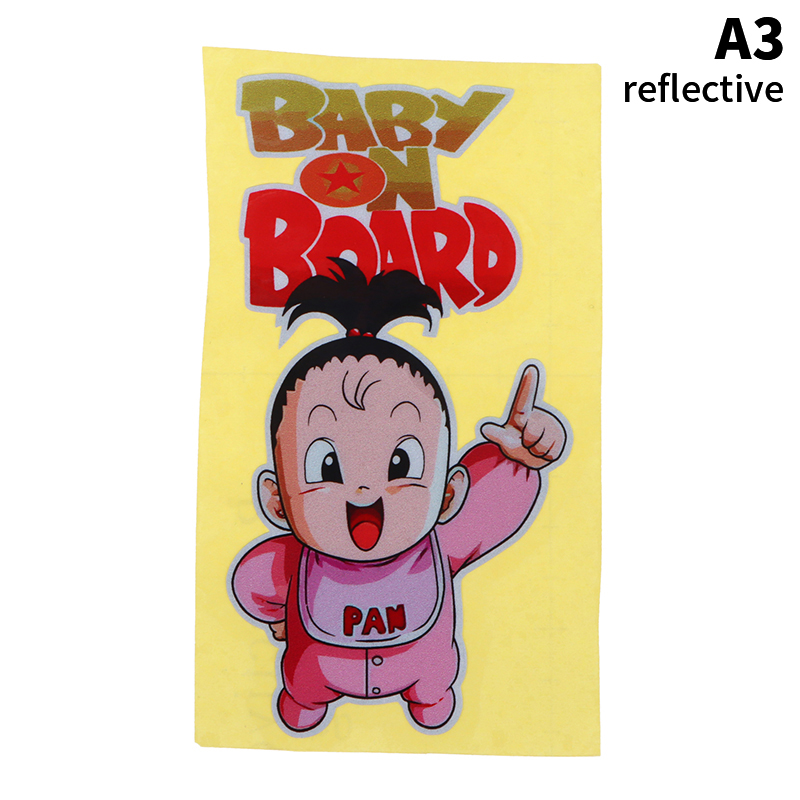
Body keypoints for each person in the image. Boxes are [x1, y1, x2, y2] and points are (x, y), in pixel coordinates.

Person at [229, 258, 568, 733]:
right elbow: (253, 582)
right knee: (305, 682)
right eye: (327, 467)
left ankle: (431, 696)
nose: (365, 489)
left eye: (400, 464)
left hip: (422, 670)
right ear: (277, 501)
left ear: (448, 493)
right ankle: (304, 698)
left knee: (432, 676)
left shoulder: (443, 541)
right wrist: (280, 616)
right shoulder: (291, 562)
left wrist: (518, 459)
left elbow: (493, 506)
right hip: (317, 672)